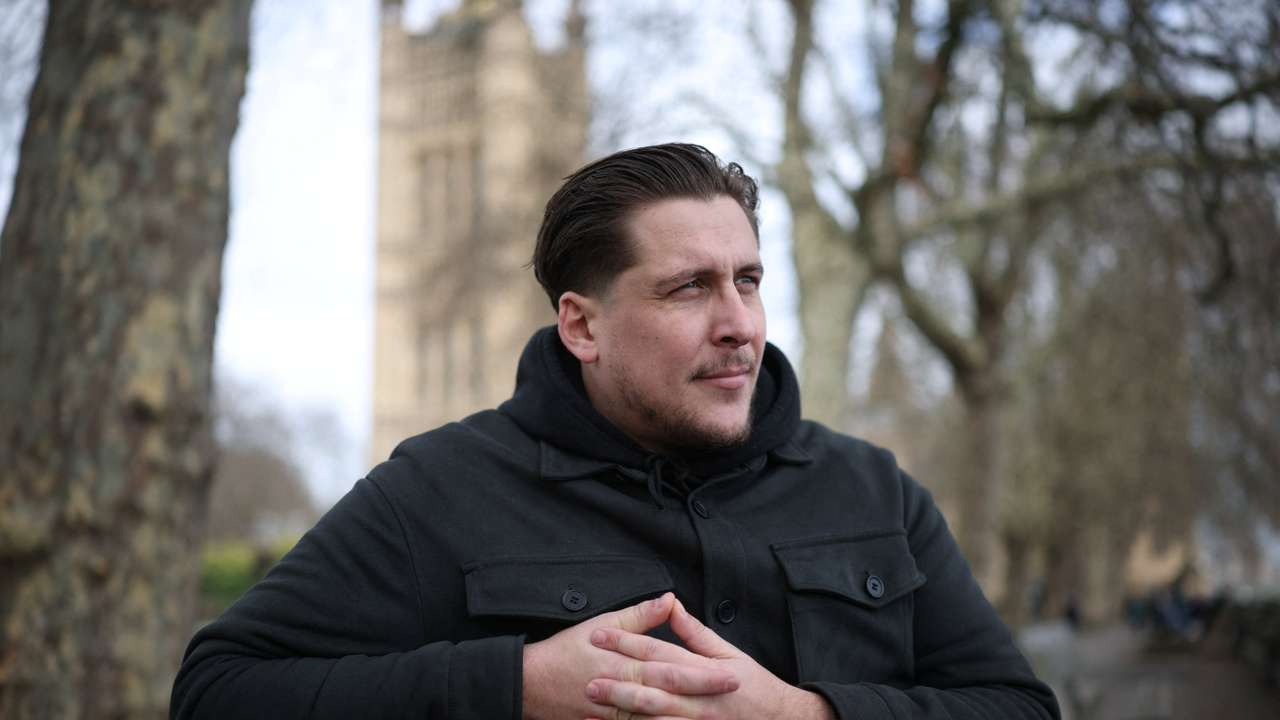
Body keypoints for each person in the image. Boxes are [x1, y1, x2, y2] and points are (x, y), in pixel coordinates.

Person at [171, 143, 1059, 719]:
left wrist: (805, 716)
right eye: (689, 288)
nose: (740, 323)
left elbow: (1018, 707)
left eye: (748, 281)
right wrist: (514, 688)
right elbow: (219, 691)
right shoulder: (441, 488)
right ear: (581, 326)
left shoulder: (875, 492)